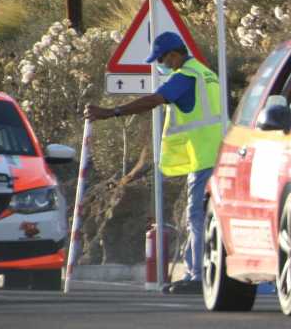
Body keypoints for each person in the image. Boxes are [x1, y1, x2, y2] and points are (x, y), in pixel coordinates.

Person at [84, 31, 223, 295]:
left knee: (196, 215)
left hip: (205, 156)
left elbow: (154, 100)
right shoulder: (206, 73)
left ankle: (198, 277)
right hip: (217, 153)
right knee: (203, 215)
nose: (161, 64)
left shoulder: (185, 77)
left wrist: (112, 112)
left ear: (174, 54)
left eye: (162, 59)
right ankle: (198, 273)